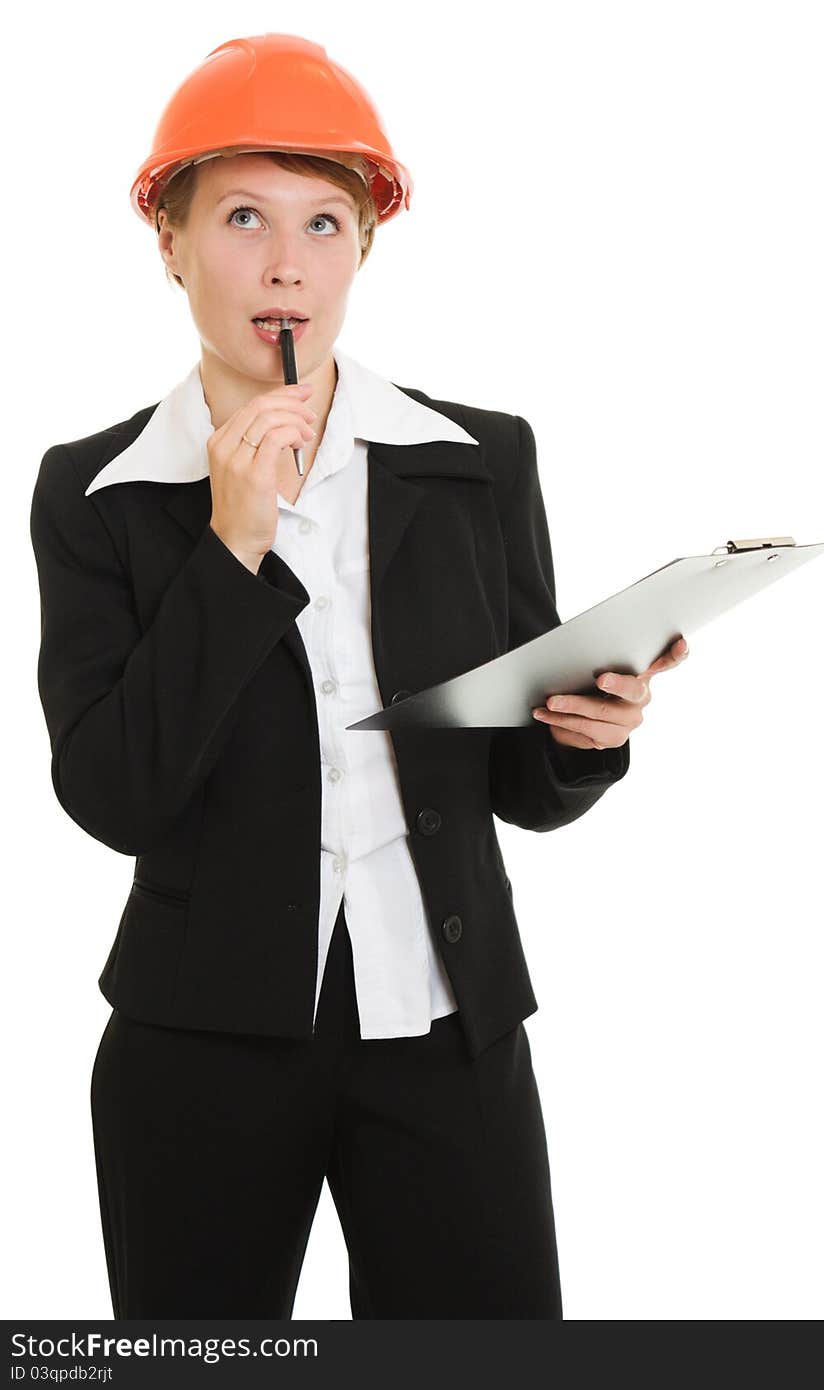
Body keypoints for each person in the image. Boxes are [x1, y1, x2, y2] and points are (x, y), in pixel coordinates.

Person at [29, 33, 688, 1319]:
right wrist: (233, 541)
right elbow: (116, 796)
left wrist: (588, 736)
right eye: (241, 217)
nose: (287, 263)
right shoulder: (95, 490)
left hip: (450, 1030)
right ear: (169, 243)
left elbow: (521, 781)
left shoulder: (475, 460)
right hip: (197, 1044)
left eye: (325, 222)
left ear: (363, 248)